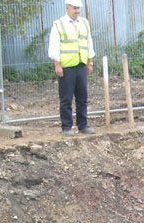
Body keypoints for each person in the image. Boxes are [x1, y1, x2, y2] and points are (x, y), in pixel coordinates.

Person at [47, 0, 95, 135]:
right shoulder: (59, 25)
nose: (77, 11)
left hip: (81, 65)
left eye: (78, 8)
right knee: (66, 98)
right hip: (67, 67)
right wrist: (57, 65)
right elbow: (54, 46)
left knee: (82, 97)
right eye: (75, 8)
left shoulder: (84, 23)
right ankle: (67, 127)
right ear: (67, 8)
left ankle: (83, 125)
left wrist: (90, 62)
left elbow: (89, 43)